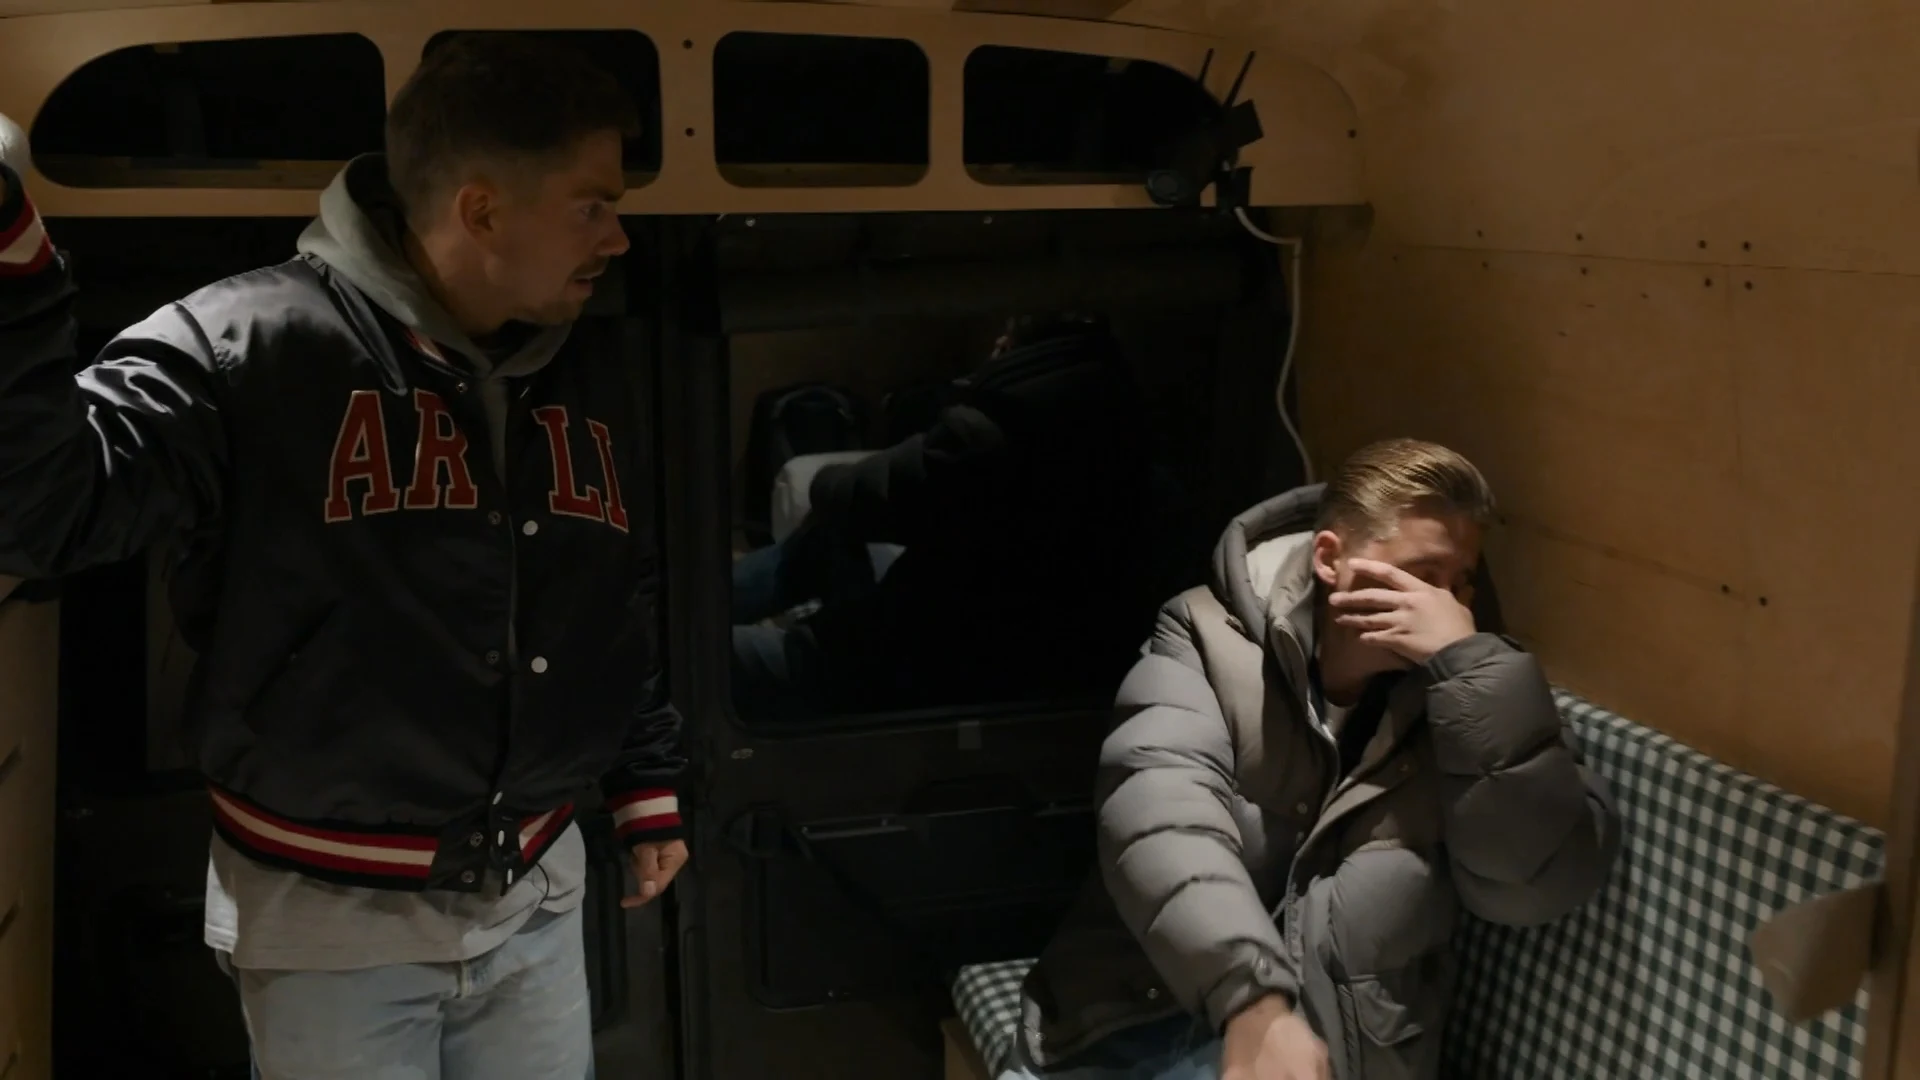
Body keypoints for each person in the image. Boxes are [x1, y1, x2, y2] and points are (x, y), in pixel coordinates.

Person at [0, 35, 685, 1079]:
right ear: (482, 210)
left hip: (538, 892)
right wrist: (14, 276)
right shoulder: (245, 346)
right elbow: (39, 513)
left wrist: (646, 780)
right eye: (593, 205)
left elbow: (609, 590)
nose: (619, 237)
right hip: (330, 930)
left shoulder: (582, 361)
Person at [1010, 439, 1622, 1080]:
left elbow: (1533, 889)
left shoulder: (1476, 695)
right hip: (1140, 1011)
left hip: (1341, 1051)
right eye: (1423, 574)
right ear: (1330, 559)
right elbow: (1158, 817)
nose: (1443, 605)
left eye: (1460, 583)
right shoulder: (1205, 639)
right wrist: (1252, 1000)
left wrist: (1469, 671)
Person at [729, 312, 1160, 720]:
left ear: (1016, 349)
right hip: (1009, 646)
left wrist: (830, 483)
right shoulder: (1121, 431)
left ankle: (702, 622)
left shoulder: (993, 437)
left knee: (716, 655)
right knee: (827, 539)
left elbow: (853, 493)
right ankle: (716, 600)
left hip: (932, 667)